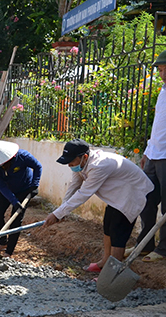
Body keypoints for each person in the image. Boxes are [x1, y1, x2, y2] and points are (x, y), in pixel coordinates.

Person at [44, 139, 153, 272]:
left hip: (133, 193)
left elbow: (83, 194)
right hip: (117, 196)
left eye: (71, 161)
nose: (69, 165)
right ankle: (105, 261)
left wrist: (57, 214)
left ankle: (112, 272)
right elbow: (74, 185)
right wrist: (61, 211)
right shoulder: (81, 164)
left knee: (118, 233)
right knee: (108, 226)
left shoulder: (99, 166)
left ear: (84, 157)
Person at [0, 140, 42, 257]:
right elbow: (1, 185)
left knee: (16, 219)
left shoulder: (22, 156)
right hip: (6, 190)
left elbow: (37, 166)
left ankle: (8, 252)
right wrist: (14, 201)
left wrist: (34, 185)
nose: (1, 166)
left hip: (24, 189)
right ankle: (3, 242)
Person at [132, 50, 166, 262]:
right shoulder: (163, 90)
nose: (161, 74)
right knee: (146, 198)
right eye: (160, 70)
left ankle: (163, 249)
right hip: (154, 153)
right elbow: (159, 126)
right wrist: (147, 151)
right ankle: (145, 243)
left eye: (163, 69)